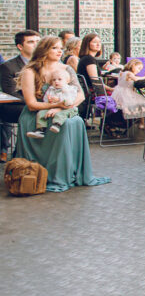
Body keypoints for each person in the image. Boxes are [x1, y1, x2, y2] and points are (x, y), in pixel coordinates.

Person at [15, 36, 109, 192]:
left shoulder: (66, 69)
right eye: (54, 48)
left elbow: (80, 95)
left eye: (60, 48)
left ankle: (69, 172)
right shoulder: (30, 71)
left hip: (64, 110)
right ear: (44, 49)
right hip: (37, 115)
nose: (59, 51)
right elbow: (31, 104)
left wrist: (64, 107)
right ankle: (50, 174)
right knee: (65, 124)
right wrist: (55, 105)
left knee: (76, 121)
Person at [0, 30, 40, 162]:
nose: (35, 45)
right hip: (16, 106)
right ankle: (22, 154)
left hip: (42, 104)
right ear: (20, 47)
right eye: (31, 42)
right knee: (36, 113)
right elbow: (11, 92)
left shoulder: (45, 63)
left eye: (37, 41)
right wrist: (33, 102)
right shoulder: (8, 66)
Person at [27, 66, 79, 139]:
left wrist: (59, 99)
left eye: (59, 79)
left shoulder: (68, 89)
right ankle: (40, 130)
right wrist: (49, 100)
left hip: (67, 108)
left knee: (61, 114)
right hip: (53, 106)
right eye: (54, 80)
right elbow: (46, 99)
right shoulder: (51, 89)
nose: (56, 81)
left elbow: (70, 100)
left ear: (67, 81)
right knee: (41, 113)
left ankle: (57, 125)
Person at [111, 58, 145, 127]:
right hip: (126, 94)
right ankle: (144, 123)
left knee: (142, 103)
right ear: (133, 65)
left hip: (119, 94)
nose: (139, 71)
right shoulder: (129, 73)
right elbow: (135, 79)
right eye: (138, 68)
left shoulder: (121, 72)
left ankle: (143, 123)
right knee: (144, 103)